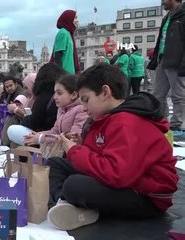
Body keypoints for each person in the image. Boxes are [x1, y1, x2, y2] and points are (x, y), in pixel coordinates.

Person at [46, 64, 178, 231]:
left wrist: (74, 150)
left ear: (105, 92)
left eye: (86, 100)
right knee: (55, 164)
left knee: (74, 185)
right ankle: (64, 205)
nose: (84, 108)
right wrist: (80, 145)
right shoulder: (107, 118)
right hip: (126, 183)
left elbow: (117, 174)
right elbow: (104, 154)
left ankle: (73, 204)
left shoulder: (127, 122)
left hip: (146, 197)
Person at [148, 0, 185, 137]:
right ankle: (162, 121)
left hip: (177, 61)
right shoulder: (167, 17)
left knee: (178, 95)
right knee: (157, 94)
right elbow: (161, 40)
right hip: (162, 60)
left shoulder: (183, 14)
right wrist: (155, 59)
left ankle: (178, 125)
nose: (162, 2)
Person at [21, 75, 88, 146]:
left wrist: (41, 138)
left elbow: (73, 139)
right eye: (54, 93)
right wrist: (38, 134)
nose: (55, 97)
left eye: (59, 93)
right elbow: (55, 131)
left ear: (73, 95)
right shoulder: (61, 110)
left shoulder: (81, 110)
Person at [20, 63, 67, 133]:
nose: (25, 90)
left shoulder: (44, 95)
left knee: (11, 129)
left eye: (26, 87)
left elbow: (34, 122)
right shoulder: (59, 94)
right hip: (49, 134)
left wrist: (24, 116)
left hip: (45, 134)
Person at [51, 10, 80, 74]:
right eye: (75, 18)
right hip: (64, 75)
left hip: (70, 74)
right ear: (69, 19)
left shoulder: (69, 33)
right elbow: (58, 56)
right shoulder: (63, 33)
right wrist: (60, 75)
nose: (77, 20)